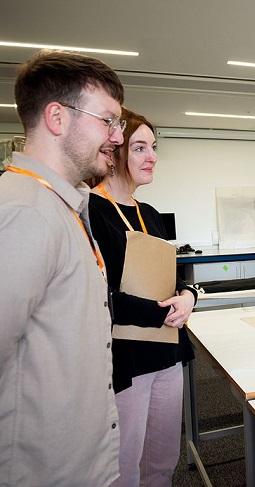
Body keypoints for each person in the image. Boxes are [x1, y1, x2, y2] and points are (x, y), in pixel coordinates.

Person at [0, 50, 124, 486]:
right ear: (57, 117)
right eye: (107, 120)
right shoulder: (24, 212)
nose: (117, 137)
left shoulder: (62, 206)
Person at [88, 107, 197, 486]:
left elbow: (173, 277)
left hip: (166, 349)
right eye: (139, 148)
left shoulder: (149, 213)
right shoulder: (90, 210)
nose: (152, 156)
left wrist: (187, 297)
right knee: (125, 464)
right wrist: (161, 311)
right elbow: (96, 296)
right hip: (126, 356)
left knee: (163, 459)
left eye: (153, 147)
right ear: (115, 151)